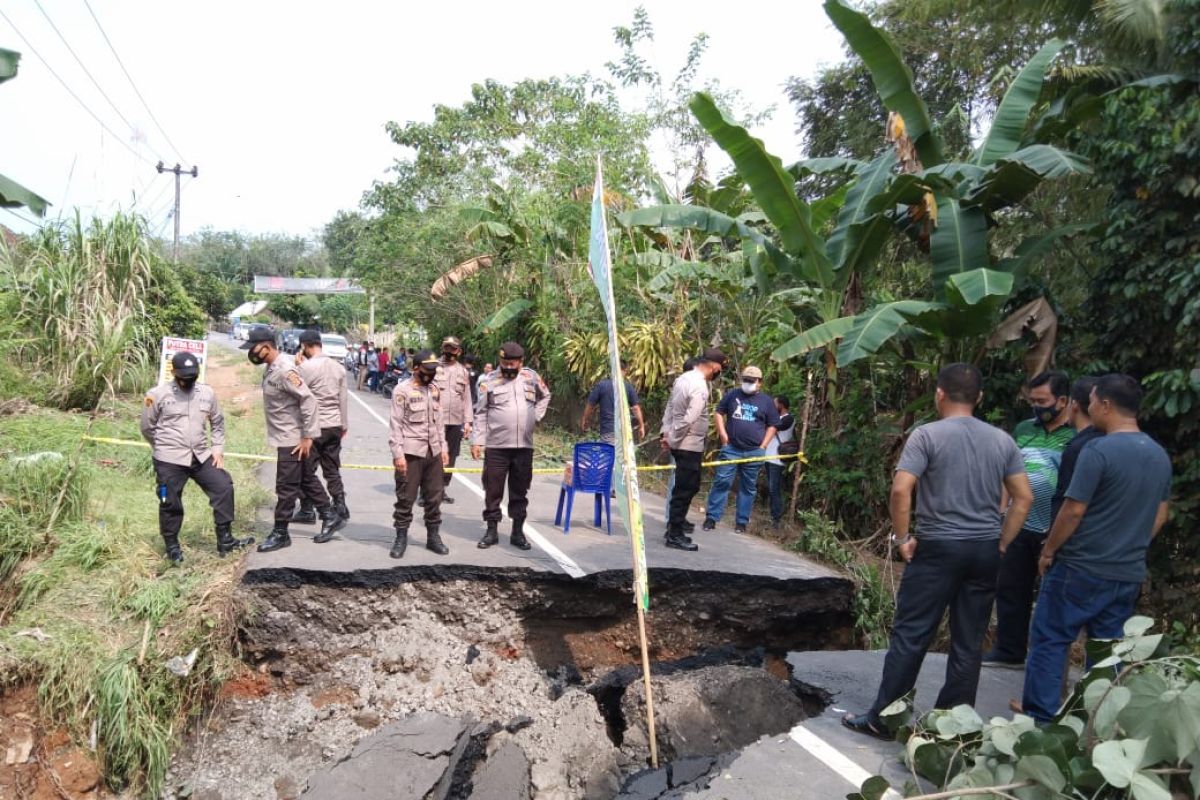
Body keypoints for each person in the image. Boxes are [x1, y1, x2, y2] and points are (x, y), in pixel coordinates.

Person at [842, 363, 1033, 740]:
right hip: (983, 550)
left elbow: (901, 490)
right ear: (979, 398)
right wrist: (1002, 541)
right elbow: (1024, 497)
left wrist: (902, 539)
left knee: (912, 635)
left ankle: (886, 718)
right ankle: (951, 729)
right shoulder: (1003, 441)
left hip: (938, 548)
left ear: (939, 394)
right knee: (968, 643)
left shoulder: (926, 435)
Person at [1021, 375, 1172, 724]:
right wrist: (1130, 543)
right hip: (1126, 573)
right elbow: (1161, 514)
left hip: (1079, 568)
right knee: (1107, 653)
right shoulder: (1159, 455)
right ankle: (1096, 726)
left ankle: (1040, 724)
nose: (1086, 408)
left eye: (1090, 401)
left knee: (1050, 641)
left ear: (1105, 405)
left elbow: (1073, 510)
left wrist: (1049, 551)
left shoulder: (1098, 451)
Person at [984, 371, 1076, 669]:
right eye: (1032, 400)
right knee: (1010, 587)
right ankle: (1009, 650)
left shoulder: (1076, 435)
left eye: (1043, 400)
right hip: (1019, 522)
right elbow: (1008, 472)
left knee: (1052, 594)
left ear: (1063, 401)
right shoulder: (1024, 429)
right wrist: (1002, 511)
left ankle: (1047, 659)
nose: (1037, 406)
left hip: (1055, 527)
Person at [140, 351, 253, 562]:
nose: (189, 381)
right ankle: (172, 546)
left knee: (223, 486)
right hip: (169, 460)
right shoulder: (156, 395)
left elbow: (217, 422)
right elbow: (147, 427)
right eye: (184, 377)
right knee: (168, 500)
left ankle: (225, 540)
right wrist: (163, 448)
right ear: (174, 373)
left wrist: (217, 448)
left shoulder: (207, 393)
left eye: (193, 377)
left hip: (201, 456)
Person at [240, 327, 342, 552]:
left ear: (266, 346)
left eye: (253, 348)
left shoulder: (285, 370)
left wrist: (308, 436)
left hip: (292, 438)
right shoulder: (272, 368)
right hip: (285, 435)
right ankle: (329, 514)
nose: (251, 353)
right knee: (306, 478)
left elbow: (308, 400)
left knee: (285, 487)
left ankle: (281, 533)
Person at [470, 342, 551, 550]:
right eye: (504, 363)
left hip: (524, 447)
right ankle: (491, 531)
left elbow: (545, 396)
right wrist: (477, 441)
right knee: (493, 490)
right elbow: (480, 413)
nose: (507, 367)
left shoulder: (530, 377)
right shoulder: (489, 381)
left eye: (512, 363)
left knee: (519, 491)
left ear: (520, 362)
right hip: (497, 446)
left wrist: (536, 416)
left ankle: (517, 532)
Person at [661, 347, 727, 551]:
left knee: (688, 486)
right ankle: (674, 534)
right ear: (714, 367)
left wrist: (666, 431)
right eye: (719, 369)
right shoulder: (700, 386)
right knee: (685, 489)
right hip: (688, 445)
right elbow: (689, 418)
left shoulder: (683, 378)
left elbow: (670, 408)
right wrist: (673, 438)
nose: (718, 373)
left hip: (681, 441)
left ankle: (675, 528)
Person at [387, 350, 451, 559]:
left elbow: (439, 423)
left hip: (433, 452)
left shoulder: (434, 390)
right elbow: (395, 425)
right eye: (427, 370)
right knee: (405, 497)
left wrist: (443, 448)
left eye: (434, 370)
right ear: (415, 368)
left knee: (434, 497)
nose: (431, 374)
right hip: (411, 453)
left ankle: (433, 537)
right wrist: (398, 455)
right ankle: (401, 537)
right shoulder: (402, 390)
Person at [703, 366, 779, 534]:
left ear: (760, 383)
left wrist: (763, 446)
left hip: (754, 451)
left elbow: (773, 425)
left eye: (752, 381)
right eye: (746, 380)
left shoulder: (766, 402)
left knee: (748, 487)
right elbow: (718, 412)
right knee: (722, 481)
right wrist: (723, 435)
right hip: (731, 449)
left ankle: (741, 522)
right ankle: (711, 518)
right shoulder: (733, 395)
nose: (748, 384)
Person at [292, 329, 351, 532]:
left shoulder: (305, 368)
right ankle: (340, 504)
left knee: (305, 470)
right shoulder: (339, 368)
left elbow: (298, 397)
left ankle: (310, 508)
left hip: (315, 427)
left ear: (304, 346)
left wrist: (297, 365)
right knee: (331, 468)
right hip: (335, 425)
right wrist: (344, 425)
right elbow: (343, 398)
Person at [1049, 377, 1102, 525]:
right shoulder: (1109, 441)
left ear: (1074, 404)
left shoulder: (1078, 447)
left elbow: (1070, 504)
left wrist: (1051, 543)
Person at [434, 336, 474, 504]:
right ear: (442, 348)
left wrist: (468, 422)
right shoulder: (432, 367)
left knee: (451, 457)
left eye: (453, 348)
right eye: (447, 347)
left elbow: (467, 398)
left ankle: (442, 488)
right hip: (435, 421)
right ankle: (428, 490)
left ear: (459, 351)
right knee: (433, 455)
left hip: (455, 421)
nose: (449, 351)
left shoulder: (462, 372)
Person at [581, 359, 646, 445]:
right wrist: (641, 426)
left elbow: (590, 405)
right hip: (625, 434)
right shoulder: (628, 387)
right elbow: (636, 408)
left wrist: (585, 419)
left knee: (610, 456)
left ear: (613, 370)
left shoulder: (602, 386)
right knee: (624, 458)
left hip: (608, 433)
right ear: (625, 371)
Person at [764, 395, 796, 529]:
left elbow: (777, 426)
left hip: (777, 460)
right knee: (771, 489)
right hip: (768, 457)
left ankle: (776, 518)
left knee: (774, 489)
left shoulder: (789, 419)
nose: (773, 407)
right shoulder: (776, 418)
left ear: (781, 405)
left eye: (775, 404)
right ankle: (773, 516)